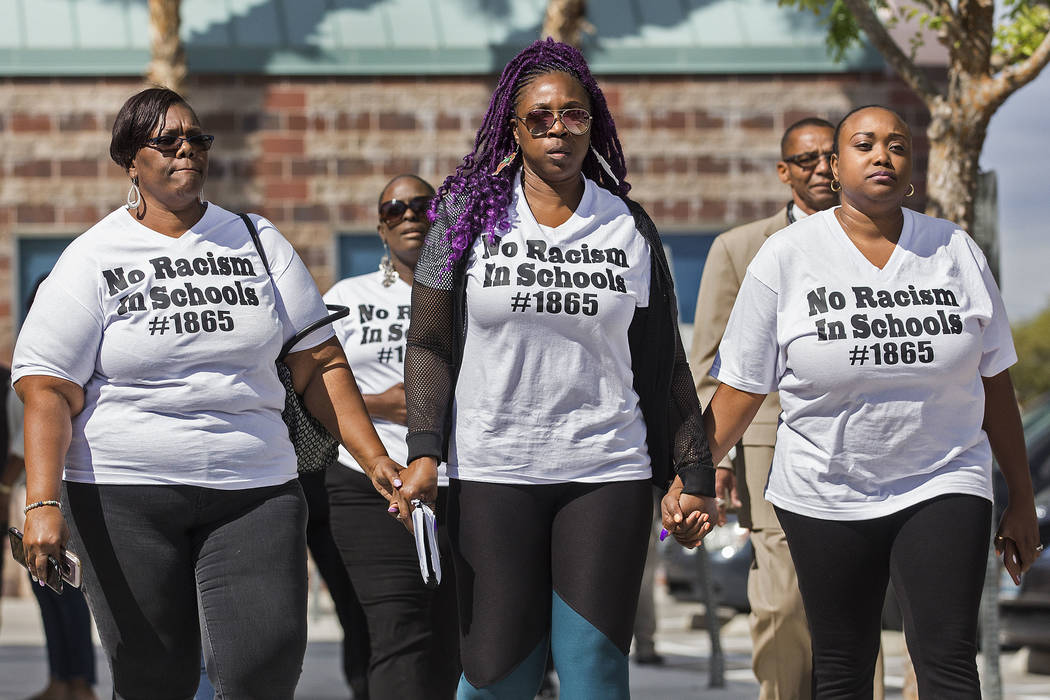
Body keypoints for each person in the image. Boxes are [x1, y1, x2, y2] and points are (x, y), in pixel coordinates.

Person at [12, 87, 403, 699]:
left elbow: (319, 362)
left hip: (255, 489)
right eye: (168, 141)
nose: (186, 150)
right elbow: (46, 388)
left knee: (263, 666)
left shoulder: (256, 240)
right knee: (154, 677)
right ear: (130, 159)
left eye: (197, 139)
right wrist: (42, 504)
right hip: (124, 494)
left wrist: (375, 457)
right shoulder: (91, 256)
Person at [669, 104, 1042, 698]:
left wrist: (1021, 498)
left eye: (896, 145)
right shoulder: (785, 257)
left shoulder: (955, 251)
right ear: (837, 166)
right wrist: (692, 476)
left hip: (944, 481)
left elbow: (995, 385)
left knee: (947, 658)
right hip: (825, 488)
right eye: (864, 145)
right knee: (841, 664)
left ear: (910, 164)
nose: (882, 156)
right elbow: (738, 391)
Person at [398, 38, 718, 699]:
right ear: (511, 129)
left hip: (607, 469)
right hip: (494, 469)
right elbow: (428, 343)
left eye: (573, 115)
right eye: (539, 117)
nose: (558, 130)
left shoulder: (628, 225)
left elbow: (662, 363)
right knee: (495, 674)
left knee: (595, 673)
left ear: (592, 123)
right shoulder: (464, 219)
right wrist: (425, 452)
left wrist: (695, 476)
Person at [688, 117, 837, 699]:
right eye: (807, 160)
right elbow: (710, 367)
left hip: (862, 448)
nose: (821, 168)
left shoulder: (882, 239)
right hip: (769, 448)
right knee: (781, 600)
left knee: (851, 600)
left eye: (830, 155)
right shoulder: (740, 248)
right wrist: (713, 459)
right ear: (784, 172)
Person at [323, 173, 459, 700]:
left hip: (461, 480)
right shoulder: (347, 297)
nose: (408, 216)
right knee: (397, 631)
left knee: (459, 632)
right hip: (367, 485)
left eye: (421, 206)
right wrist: (385, 403)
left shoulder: (469, 292)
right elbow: (308, 383)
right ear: (381, 229)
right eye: (393, 210)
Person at [7, 275, 99, 700]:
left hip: (51, 495)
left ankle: (79, 683)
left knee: (65, 590)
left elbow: (19, 449)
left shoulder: (66, 367)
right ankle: (61, 679)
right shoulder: (31, 362)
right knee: (45, 591)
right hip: (33, 492)